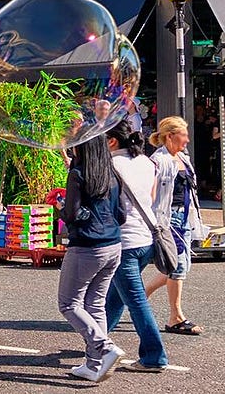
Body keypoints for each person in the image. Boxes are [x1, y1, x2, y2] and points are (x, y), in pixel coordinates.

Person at [57, 132, 126, 382]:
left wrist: (60, 208)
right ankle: (94, 364)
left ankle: (104, 347)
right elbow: (122, 215)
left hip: (87, 246)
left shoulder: (78, 174)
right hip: (113, 245)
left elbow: (72, 214)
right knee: (95, 303)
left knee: (69, 303)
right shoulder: (112, 174)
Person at [105, 120, 169, 373]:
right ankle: (98, 340)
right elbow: (151, 198)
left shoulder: (111, 165)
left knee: (135, 300)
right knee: (118, 294)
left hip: (124, 241)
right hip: (147, 238)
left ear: (111, 141)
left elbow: (107, 204)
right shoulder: (146, 161)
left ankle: (154, 357)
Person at [146, 116, 203, 335]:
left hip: (185, 216)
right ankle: (175, 317)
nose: (187, 139)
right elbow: (151, 194)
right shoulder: (157, 160)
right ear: (170, 136)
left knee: (179, 266)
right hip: (168, 218)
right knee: (177, 267)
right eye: (184, 135)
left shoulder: (182, 157)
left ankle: (140, 295)